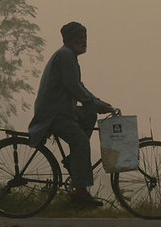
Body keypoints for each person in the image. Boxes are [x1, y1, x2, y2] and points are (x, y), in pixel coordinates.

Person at [28, 21, 117, 207]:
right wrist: (96, 104)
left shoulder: (69, 56)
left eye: (85, 36)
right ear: (69, 39)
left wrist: (98, 103)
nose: (84, 40)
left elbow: (80, 87)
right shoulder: (66, 56)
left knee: (90, 111)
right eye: (80, 36)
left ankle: (75, 159)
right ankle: (81, 192)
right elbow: (74, 87)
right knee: (81, 142)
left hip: (62, 109)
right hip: (54, 114)